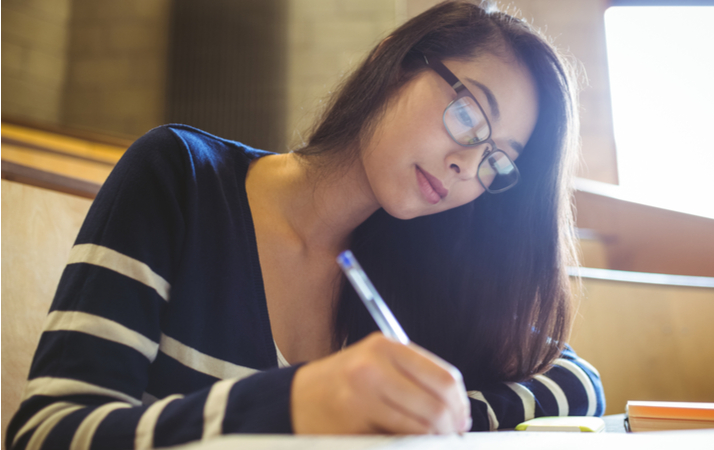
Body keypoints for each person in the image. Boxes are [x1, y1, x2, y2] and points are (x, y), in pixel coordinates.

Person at [6, 1, 605, 448]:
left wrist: (442, 410)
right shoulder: (181, 178)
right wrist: (291, 405)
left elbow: (578, 381)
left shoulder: (423, 269)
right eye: (470, 116)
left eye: (497, 161)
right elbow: (46, 432)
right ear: (396, 64)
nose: (467, 165)